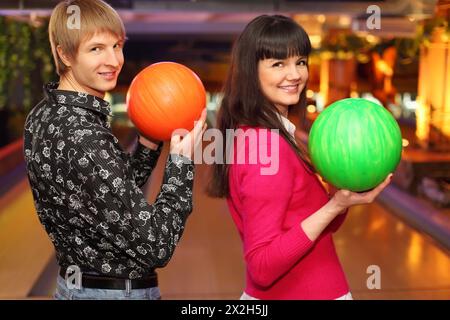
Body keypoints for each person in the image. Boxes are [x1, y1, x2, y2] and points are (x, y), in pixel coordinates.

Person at [23, 0, 206, 300]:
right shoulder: (84, 134)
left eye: (117, 45)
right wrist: (181, 162)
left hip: (72, 288)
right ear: (65, 54)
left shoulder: (42, 116)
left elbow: (109, 200)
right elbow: (157, 245)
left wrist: (147, 143)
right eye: (96, 49)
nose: (113, 60)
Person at [208, 14, 392, 300]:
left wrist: (339, 192)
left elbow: (321, 228)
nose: (294, 75)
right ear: (250, 72)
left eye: (300, 62)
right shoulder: (265, 148)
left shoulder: (270, 135)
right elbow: (262, 265)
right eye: (278, 64)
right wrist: (334, 206)